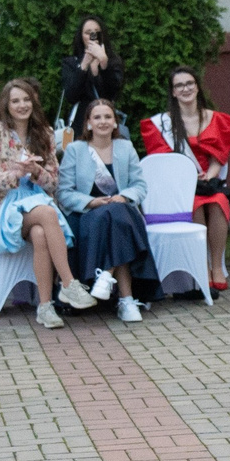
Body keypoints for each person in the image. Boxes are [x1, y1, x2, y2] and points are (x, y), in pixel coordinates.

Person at [0, 77, 91, 326]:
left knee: (40, 233)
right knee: (47, 215)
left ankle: (45, 307)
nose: (22, 105)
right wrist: (16, 174)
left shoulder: (45, 133)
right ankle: (69, 283)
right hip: (3, 208)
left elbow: (54, 184)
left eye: (26, 99)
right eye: (15, 100)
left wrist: (36, 172)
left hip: (36, 204)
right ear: (6, 105)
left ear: (34, 102)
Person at [137, 64, 230, 292]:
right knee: (195, 204)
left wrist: (209, 176)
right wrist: (190, 178)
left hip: (209, 181)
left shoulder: (217, 120)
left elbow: (219, 156)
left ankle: (216, 267)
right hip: (180, 187)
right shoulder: (160, 125)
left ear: (197, 87)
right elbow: (165, 163)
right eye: (179, 85)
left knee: (219, 202)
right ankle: (200, 265)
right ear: (173, 92)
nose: (185, 89)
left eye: (189, 83)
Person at [58, 98, 154, 322]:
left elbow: (140, 186)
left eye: (108, 117)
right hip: (88, 216)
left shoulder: (125, 147)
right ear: (89, 123)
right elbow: (64, 192)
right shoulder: (75, 150)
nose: (103, 121)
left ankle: (107, 277)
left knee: (117, 214)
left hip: (123, 211)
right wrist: (90, 202)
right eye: (97, 117)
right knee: (116, 217)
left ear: (115, 123)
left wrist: (124, 196)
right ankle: (126, 301)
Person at [58, 14, 126, 133]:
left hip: (106, 124)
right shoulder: (71, 63)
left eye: (97, 32)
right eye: (88, 32)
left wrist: (104, 65)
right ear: (81, 36)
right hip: (81, 125)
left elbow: (112, 93)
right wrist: (84, 65)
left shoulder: (113, 62)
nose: (93, 36)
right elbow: (71, 96)